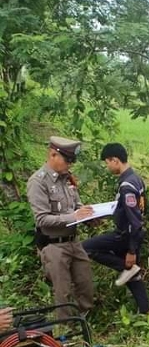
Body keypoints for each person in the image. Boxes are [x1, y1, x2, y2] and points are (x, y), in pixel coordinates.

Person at [27, 136, 94, 319]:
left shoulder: (67, 179)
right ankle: (66, 327)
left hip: (73, 241)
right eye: (67, 160)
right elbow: (42, 219)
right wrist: (73, 217)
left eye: (72, 161)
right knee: (63, 291)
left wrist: (89, 215)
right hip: (54, 245)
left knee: (85, 283)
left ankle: (85, 319)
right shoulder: (38, 182)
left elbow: (76, 205)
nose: (70, 164)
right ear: (53, 155)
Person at [82, 143, 149, 314]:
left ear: (115, 160)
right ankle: (145, 310)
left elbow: (134, 220)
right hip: (133, 235)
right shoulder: (136, 179)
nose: (108, 167)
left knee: (86, 247)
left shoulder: (127, 186)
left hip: (126, 236)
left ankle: (126, 267)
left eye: (107, 163)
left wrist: (131, 250)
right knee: (133, 277)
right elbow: (136, 210)